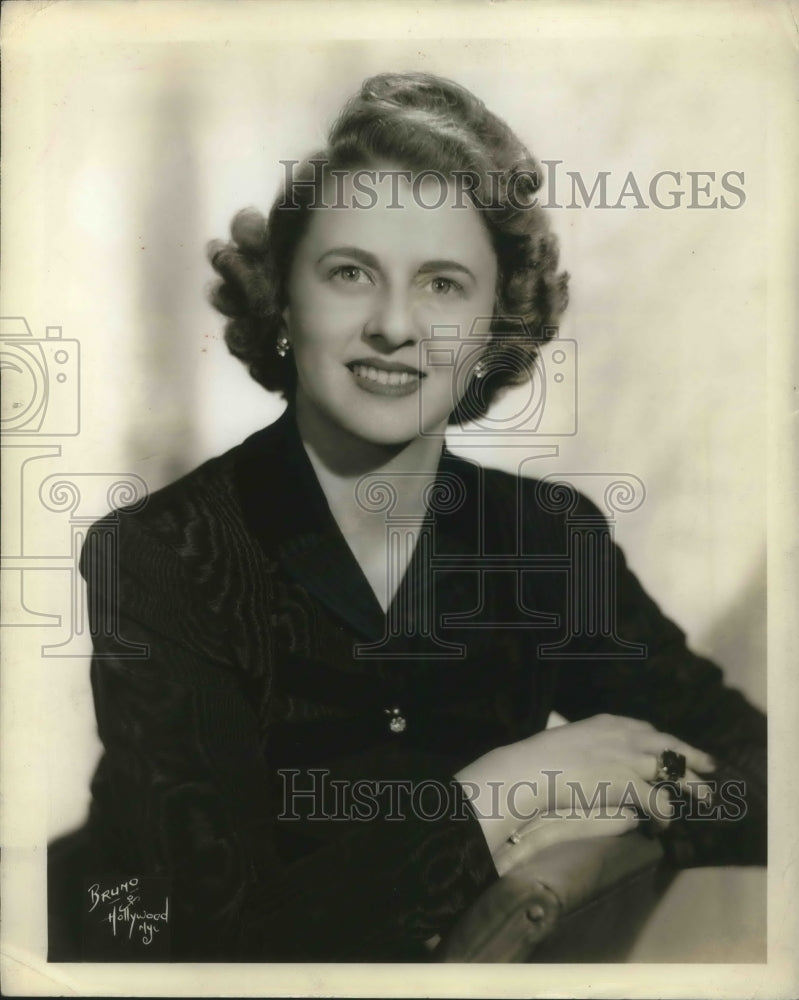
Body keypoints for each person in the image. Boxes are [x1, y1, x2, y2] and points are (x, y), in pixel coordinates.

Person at [48, 71, 765, 962]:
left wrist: (624, 804)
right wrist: (509, 791)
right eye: (350, 272)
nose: (394, 323)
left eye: (442, 284)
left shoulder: (541, 540)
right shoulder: (162, 553)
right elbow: (211, 936)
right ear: (284, 302)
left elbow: (756, 777)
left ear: (494, 326)